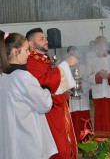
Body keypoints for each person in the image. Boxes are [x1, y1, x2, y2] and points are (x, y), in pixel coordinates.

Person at [0, 31, 57, 159]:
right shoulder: (22, 77)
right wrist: (47, 89)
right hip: (26, 137)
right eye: (26, 50)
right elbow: (45, 104)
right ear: (15, 51)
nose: (29, 53)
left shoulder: (3, 76)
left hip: (9, 135)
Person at [26, 28, 78, 159]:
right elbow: (45, 82)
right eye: (41, 39)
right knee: (58, 148)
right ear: (31, 44)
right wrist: (65, 65)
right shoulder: (31, 61)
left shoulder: (44, 59)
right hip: (49, 112)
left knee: (64, 145)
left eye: (46, 38)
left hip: (59, 108)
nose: (46, 41)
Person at [85, 36, 110, 132]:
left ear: (106, 45)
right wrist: (98, 75)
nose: (101, 46)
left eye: (103, 44)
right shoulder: (91, 60)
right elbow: (87, 77)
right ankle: (101, 140)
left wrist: (109, 76)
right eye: (98, 44)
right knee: (100, 117)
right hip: (99, 93)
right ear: (96, 45)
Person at [67, 46, 92, 143]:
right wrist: (70, 87)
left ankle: (87, 142)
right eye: (71, 54)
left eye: (75, 54)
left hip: (83, 99)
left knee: (84, 121)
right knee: (73, 122)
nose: (73, 56)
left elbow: (88, 81)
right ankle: (74, 142)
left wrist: (81, 86)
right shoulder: (65, 68)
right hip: (71, 99)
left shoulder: (84, 67)